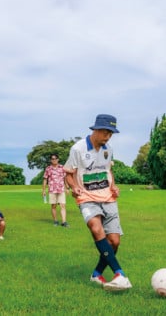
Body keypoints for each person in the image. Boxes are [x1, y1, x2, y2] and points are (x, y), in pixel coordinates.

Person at [64, 114, 132, 291]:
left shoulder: (108, 149)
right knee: (96, 228)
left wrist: (114, 186)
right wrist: (74, 187)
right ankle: (120, 273)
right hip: (86, 198)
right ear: (96, 129)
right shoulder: (78, 149)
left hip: (108, 198)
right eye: (106, 132)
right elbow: (69, 173)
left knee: (114, 241)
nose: (108, 137)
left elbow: (108, 171)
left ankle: (97, 274)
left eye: (111, 133)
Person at [42, 153, 69, 227]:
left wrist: (67, 188)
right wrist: (44, 190)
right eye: (52, 159)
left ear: (58, 159)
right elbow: (45, 179)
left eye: (55, 159)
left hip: (61, 189)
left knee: (63, 205)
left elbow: (65, 178)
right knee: (53, 206)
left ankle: (64, 222)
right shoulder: (48, 169)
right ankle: (55, 221)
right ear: (51, 160)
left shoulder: (62, 167)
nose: (54, 160)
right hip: (52, 190)